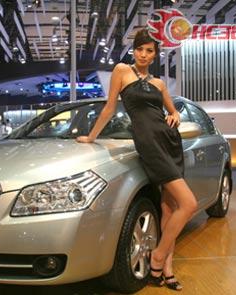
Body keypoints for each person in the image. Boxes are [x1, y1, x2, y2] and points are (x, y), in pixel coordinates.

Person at [75, 28, 197, 290]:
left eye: (149, 50)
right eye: (140, 49)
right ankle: (158, 256)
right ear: (134, 50)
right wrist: (91, 136)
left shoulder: (159, 84)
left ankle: (167, 268)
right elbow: (109, 108)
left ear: (155, 55)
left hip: (169, 141)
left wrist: (175, 116)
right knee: (189, 204)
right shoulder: (121, 70)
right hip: (149, 143)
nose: (143, 54)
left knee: (170, 208)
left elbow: (172, 110)